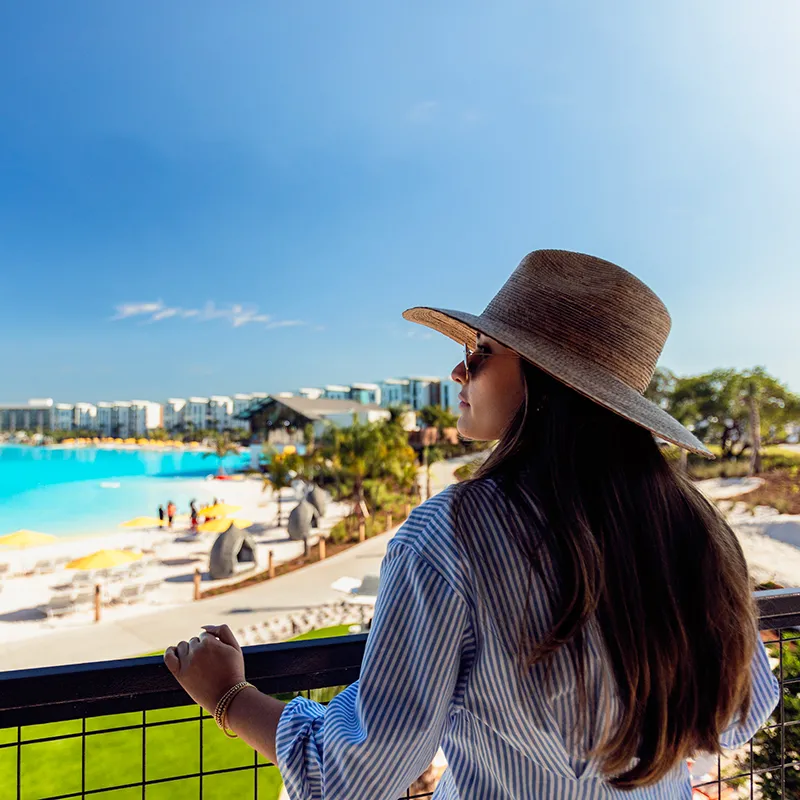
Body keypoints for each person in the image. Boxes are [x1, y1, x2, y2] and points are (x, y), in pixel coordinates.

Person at [164, 250, 779, 798]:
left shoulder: (451, 535)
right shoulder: (691, 527)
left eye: (481, 354)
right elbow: (745, 710)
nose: (459, 372)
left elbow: (363, 770)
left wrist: (228, 697)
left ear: (547, 379)